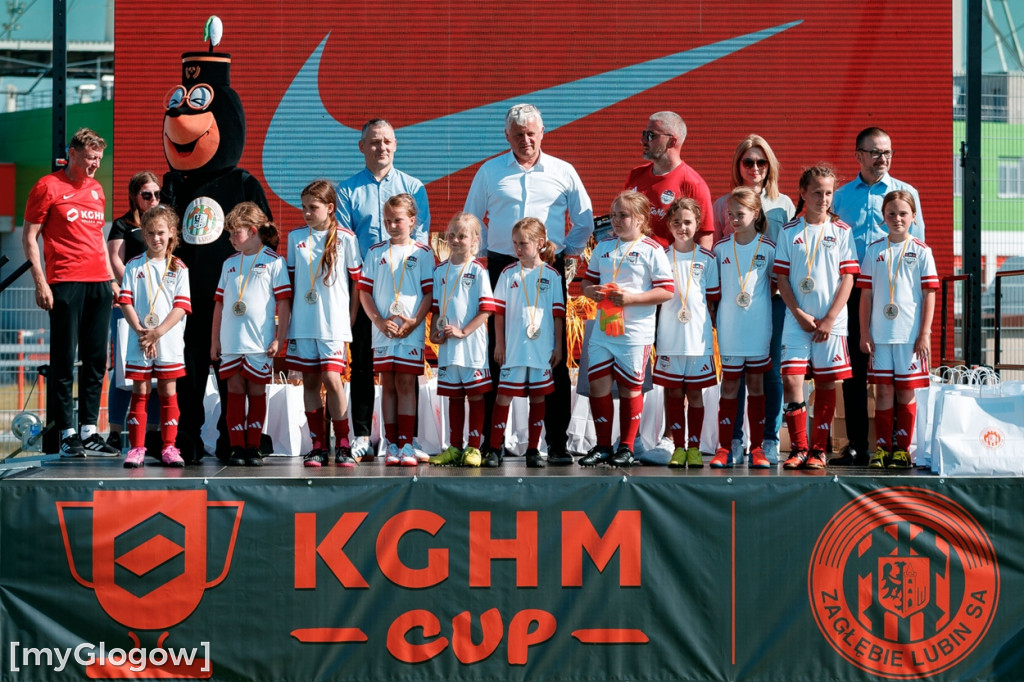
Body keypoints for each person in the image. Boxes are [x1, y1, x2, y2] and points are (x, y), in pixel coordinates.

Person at [463, 103, 593, 465]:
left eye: (531, 133)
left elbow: (584, 219)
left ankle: (556, 444)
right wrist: (490, 253)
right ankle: (492, 445)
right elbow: (472, 219)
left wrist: (563, 252)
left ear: (542, 133)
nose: (526, 140)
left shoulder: (563, 171)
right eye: (518, 134)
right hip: (501, 267)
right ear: (507, 136)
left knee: (553, 354)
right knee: (498, 353)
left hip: (547, 267)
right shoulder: (490, 171)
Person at [22, 127, 120, 457]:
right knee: (64, 360)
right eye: (90, 158)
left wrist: (111, 279)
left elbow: (97, 238)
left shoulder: (96, 189)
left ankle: (89, 430)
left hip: (99, 284)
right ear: (73, 154)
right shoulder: (47, 186)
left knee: (96, 360)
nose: (95, 164)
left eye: (99, 159)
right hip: (65, 282)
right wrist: (40, 282)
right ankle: (67, 433)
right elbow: (29, 236)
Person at [338, 119, 431, 462]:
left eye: (387, 141)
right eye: (375, 142)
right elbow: (345, 241)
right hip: (367, 288)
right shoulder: (347, 190)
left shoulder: (413, 186)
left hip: (407, 290)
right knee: (363, 362)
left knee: (405, 372)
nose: (382, 148)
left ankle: (407, 439)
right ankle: (363, 435)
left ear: (395, 145)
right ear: (362, 147)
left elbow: (421, 237)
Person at [832, 127, 925, 466]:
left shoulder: (906, 194)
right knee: (854, 371)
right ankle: (858, 444)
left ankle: (899, 446)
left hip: (896, 297)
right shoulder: (840, 197)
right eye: (874, 152)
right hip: (855, 292)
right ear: (858, 155)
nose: (881, 158)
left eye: (887, 152)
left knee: (899, 374)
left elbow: (919, 247)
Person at [711, 136, 796, 464]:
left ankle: (768, 441)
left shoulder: (783, 204)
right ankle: (732, 441)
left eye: (762, 162)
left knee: (769, 373)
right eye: (748, 161)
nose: (755, 167)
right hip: (735, 305)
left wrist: (776, 290)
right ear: (739, 165)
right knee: (734, 376)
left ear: (770, 165)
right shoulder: (723, 203)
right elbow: (717, 253)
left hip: (771, 300)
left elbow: (789, 250)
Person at [578, 191, 674, 467]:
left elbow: (667, 291)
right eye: (613, 215)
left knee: (631, 389)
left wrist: (631, 299)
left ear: (641, 219)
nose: (616, 220)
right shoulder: (603, 246)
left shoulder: (652, 249)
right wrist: (591, 292)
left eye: (623, 215)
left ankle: (628, 447)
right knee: (598, 385)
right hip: (604, 329)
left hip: (634, 333)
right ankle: (603, 446)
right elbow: (587, 283)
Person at [774, 166, 859, 470]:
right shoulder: (789, 231)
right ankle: (799, 448)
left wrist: (830, 318)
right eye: (817, 192)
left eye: (828, 193)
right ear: (803, 193)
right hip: (798, 321)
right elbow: (782, 278)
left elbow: (848, 277)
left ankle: (818, 450)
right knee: (791, 379)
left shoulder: (842, 231)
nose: (823, 198)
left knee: (825, 383)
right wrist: (798, 313)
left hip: (830, 323)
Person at [857, 190, 937, 469]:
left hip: (910, 337)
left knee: (906, 391)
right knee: (883, 392)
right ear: (883, 217)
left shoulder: (922, 250)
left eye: (903, 213)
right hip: (880, 336)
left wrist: (924, 333)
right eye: (891, 213)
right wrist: (864, 332)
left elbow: (929, 294)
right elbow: (866, 294)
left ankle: (902, 450)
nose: (897, 218)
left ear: (914, 216)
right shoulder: (874, 250)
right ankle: (882, 449)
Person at [287, 181, 363, 467]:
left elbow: (357, 282)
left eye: (313, 207)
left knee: (332, 379)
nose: (307, 213)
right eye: (304, 207)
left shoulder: (346, 238)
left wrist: (351, 316)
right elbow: (291, 281)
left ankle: (342, 442)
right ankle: (317, 445)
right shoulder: (296, 237)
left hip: (333, 322)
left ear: (330, 208)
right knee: (309, 382)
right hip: (303, 323)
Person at [211, 203, 292, 467]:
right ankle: (236, 447)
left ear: (253, 231)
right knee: (234, 390)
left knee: (257, 391)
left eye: (235, 232)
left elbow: (284, 304)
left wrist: (279, 338)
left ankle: (254, 446)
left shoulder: (274, 261)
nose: (231, 239)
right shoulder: (228, 263)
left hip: (259, 342)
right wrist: (214, 340)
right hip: (231, 342)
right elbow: (220, 305)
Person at [358, 194, 433, 466]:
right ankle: (391, 444)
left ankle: (407, 443)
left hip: (410, 330)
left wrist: (414, 321)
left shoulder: (423, 252)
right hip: (384, 331)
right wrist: (378, 321)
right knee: (387, 384)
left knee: (405, 384)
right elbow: (364, 292)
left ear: (412, 221)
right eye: (387, 220)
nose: (391, 225)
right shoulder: (375, 252)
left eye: (398, 220)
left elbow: (429, 293)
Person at [116, 204, 190, 467]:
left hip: (167, 339)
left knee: (169, 390)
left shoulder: (179, 267)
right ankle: (137, 449)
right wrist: (142, 332)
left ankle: (169, 447)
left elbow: (181, 307)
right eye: (150, 233)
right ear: (143, 235)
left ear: (171, 233)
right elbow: (125, 301)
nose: (156, 238)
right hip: (140, 338)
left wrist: (157, 333)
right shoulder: (133, 265)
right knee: (140, 389)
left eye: (161, 232)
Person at [490, 218, 565, 468]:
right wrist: (499, 344)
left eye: (523, 243)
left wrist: (558, 347)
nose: (518, 249)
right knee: (504, 396)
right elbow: (499, 313)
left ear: (540, 243)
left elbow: (557, 315)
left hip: (541, 349)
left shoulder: (552, 275)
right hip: (513, 349)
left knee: (538, 397)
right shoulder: (508, 273)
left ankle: (533, 449)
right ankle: (494, 447)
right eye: (515, 243)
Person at [710, 187, 776, 469]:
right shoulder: (721, 248)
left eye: (740, 214)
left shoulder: (769, 247)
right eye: (730, 215)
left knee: (757, 384)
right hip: (730, 328)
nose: (734, 219)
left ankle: (757, 447)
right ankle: (726, 446)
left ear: (756, 213)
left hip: (758, 327)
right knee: (730, 384)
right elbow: (714, 290)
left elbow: (775, 285)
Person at [653, 198, 719, 468]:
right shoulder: (660, 256)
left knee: (694, 395)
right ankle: (678, 447)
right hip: (669, 339)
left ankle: (694, 448)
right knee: (673, 395)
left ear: (698, 224)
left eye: (688, 222)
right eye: (677, 222)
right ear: (669, 225)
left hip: (696, 340)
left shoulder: (707, 259)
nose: (682, 227)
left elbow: (712, 301)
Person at [428, 213, 496, 468]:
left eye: (462, 236)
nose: (455, 240)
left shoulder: (478, 270)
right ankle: (455, 447)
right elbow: (437, 308)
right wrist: (435, 331)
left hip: (471, 346)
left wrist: (464, 332)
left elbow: (486, 309)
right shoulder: (439, 270)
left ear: (475, 240)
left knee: (475, 396)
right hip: (448, 347)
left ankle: (474, 447)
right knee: (454, 397)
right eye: (452, 235)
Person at [106, 171, 163, 451]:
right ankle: (115, 432)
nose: (153, 200)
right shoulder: (123, 225)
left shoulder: (164, 225)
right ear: (134, 196)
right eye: (146, 195)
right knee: (123, 371)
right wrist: (129, 288)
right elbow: (114, 258)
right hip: (128, 305)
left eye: (157, 194)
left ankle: (151, 432)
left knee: (156, 369)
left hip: (157, 306)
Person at [624, 112, 715, 249]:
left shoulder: (693, 184)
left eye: (651, 135)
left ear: (672, 142)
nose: (643, 141)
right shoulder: (635, 174)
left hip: (670, 261)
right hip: (631, 259)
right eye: (644, 134)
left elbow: (704, 237)